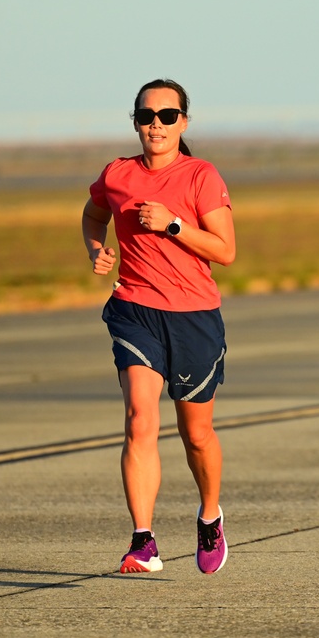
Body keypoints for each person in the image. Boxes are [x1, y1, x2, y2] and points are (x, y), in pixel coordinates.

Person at [81, 78, 236, 575]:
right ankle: (142, 541)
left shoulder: (201, 176)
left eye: (167, 116)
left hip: (193, 316)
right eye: (147, 116)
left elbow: (226, 252)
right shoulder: (117, 173)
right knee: (139, 421)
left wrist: (173, 224)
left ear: (183, 122)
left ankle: (209, 515)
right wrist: (95, 249)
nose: (156, 125)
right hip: (135, 310)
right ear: (135, 121)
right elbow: (92, 215)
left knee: (197, 436)